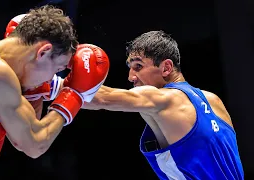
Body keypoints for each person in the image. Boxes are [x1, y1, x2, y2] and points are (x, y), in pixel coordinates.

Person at [0, 5, 109, 180]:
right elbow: (34, 144)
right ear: (43, 52)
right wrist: (74, 96)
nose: (50, 79)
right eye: (58, 68)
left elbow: (21, 136)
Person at [81, 31, 244, 179]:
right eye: (130, 68)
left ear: (166, 68)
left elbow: (101, 98)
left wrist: (58, 82)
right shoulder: (213, 100)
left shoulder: (163, 99)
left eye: (138, 66)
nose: (131, 77)